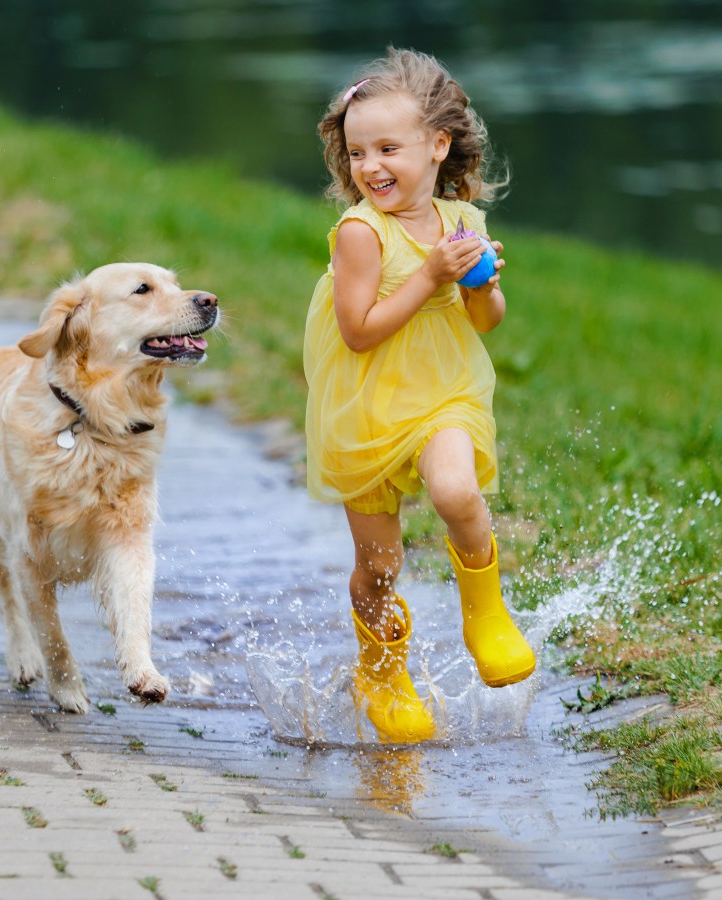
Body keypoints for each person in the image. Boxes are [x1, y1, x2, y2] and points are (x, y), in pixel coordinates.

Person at [303, 48, 536, 744]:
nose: (370, 167)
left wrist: (482, 288)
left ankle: (485, 615)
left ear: (438, 146)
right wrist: (433, 273)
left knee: (459, 493)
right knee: (379, 567)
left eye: (388, 148)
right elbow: (360, 331)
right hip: (366, 405)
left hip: (444, 393)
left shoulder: (462, 221)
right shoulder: (359, 233)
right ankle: (380, 671)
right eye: (357, 152)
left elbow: (485, 323)